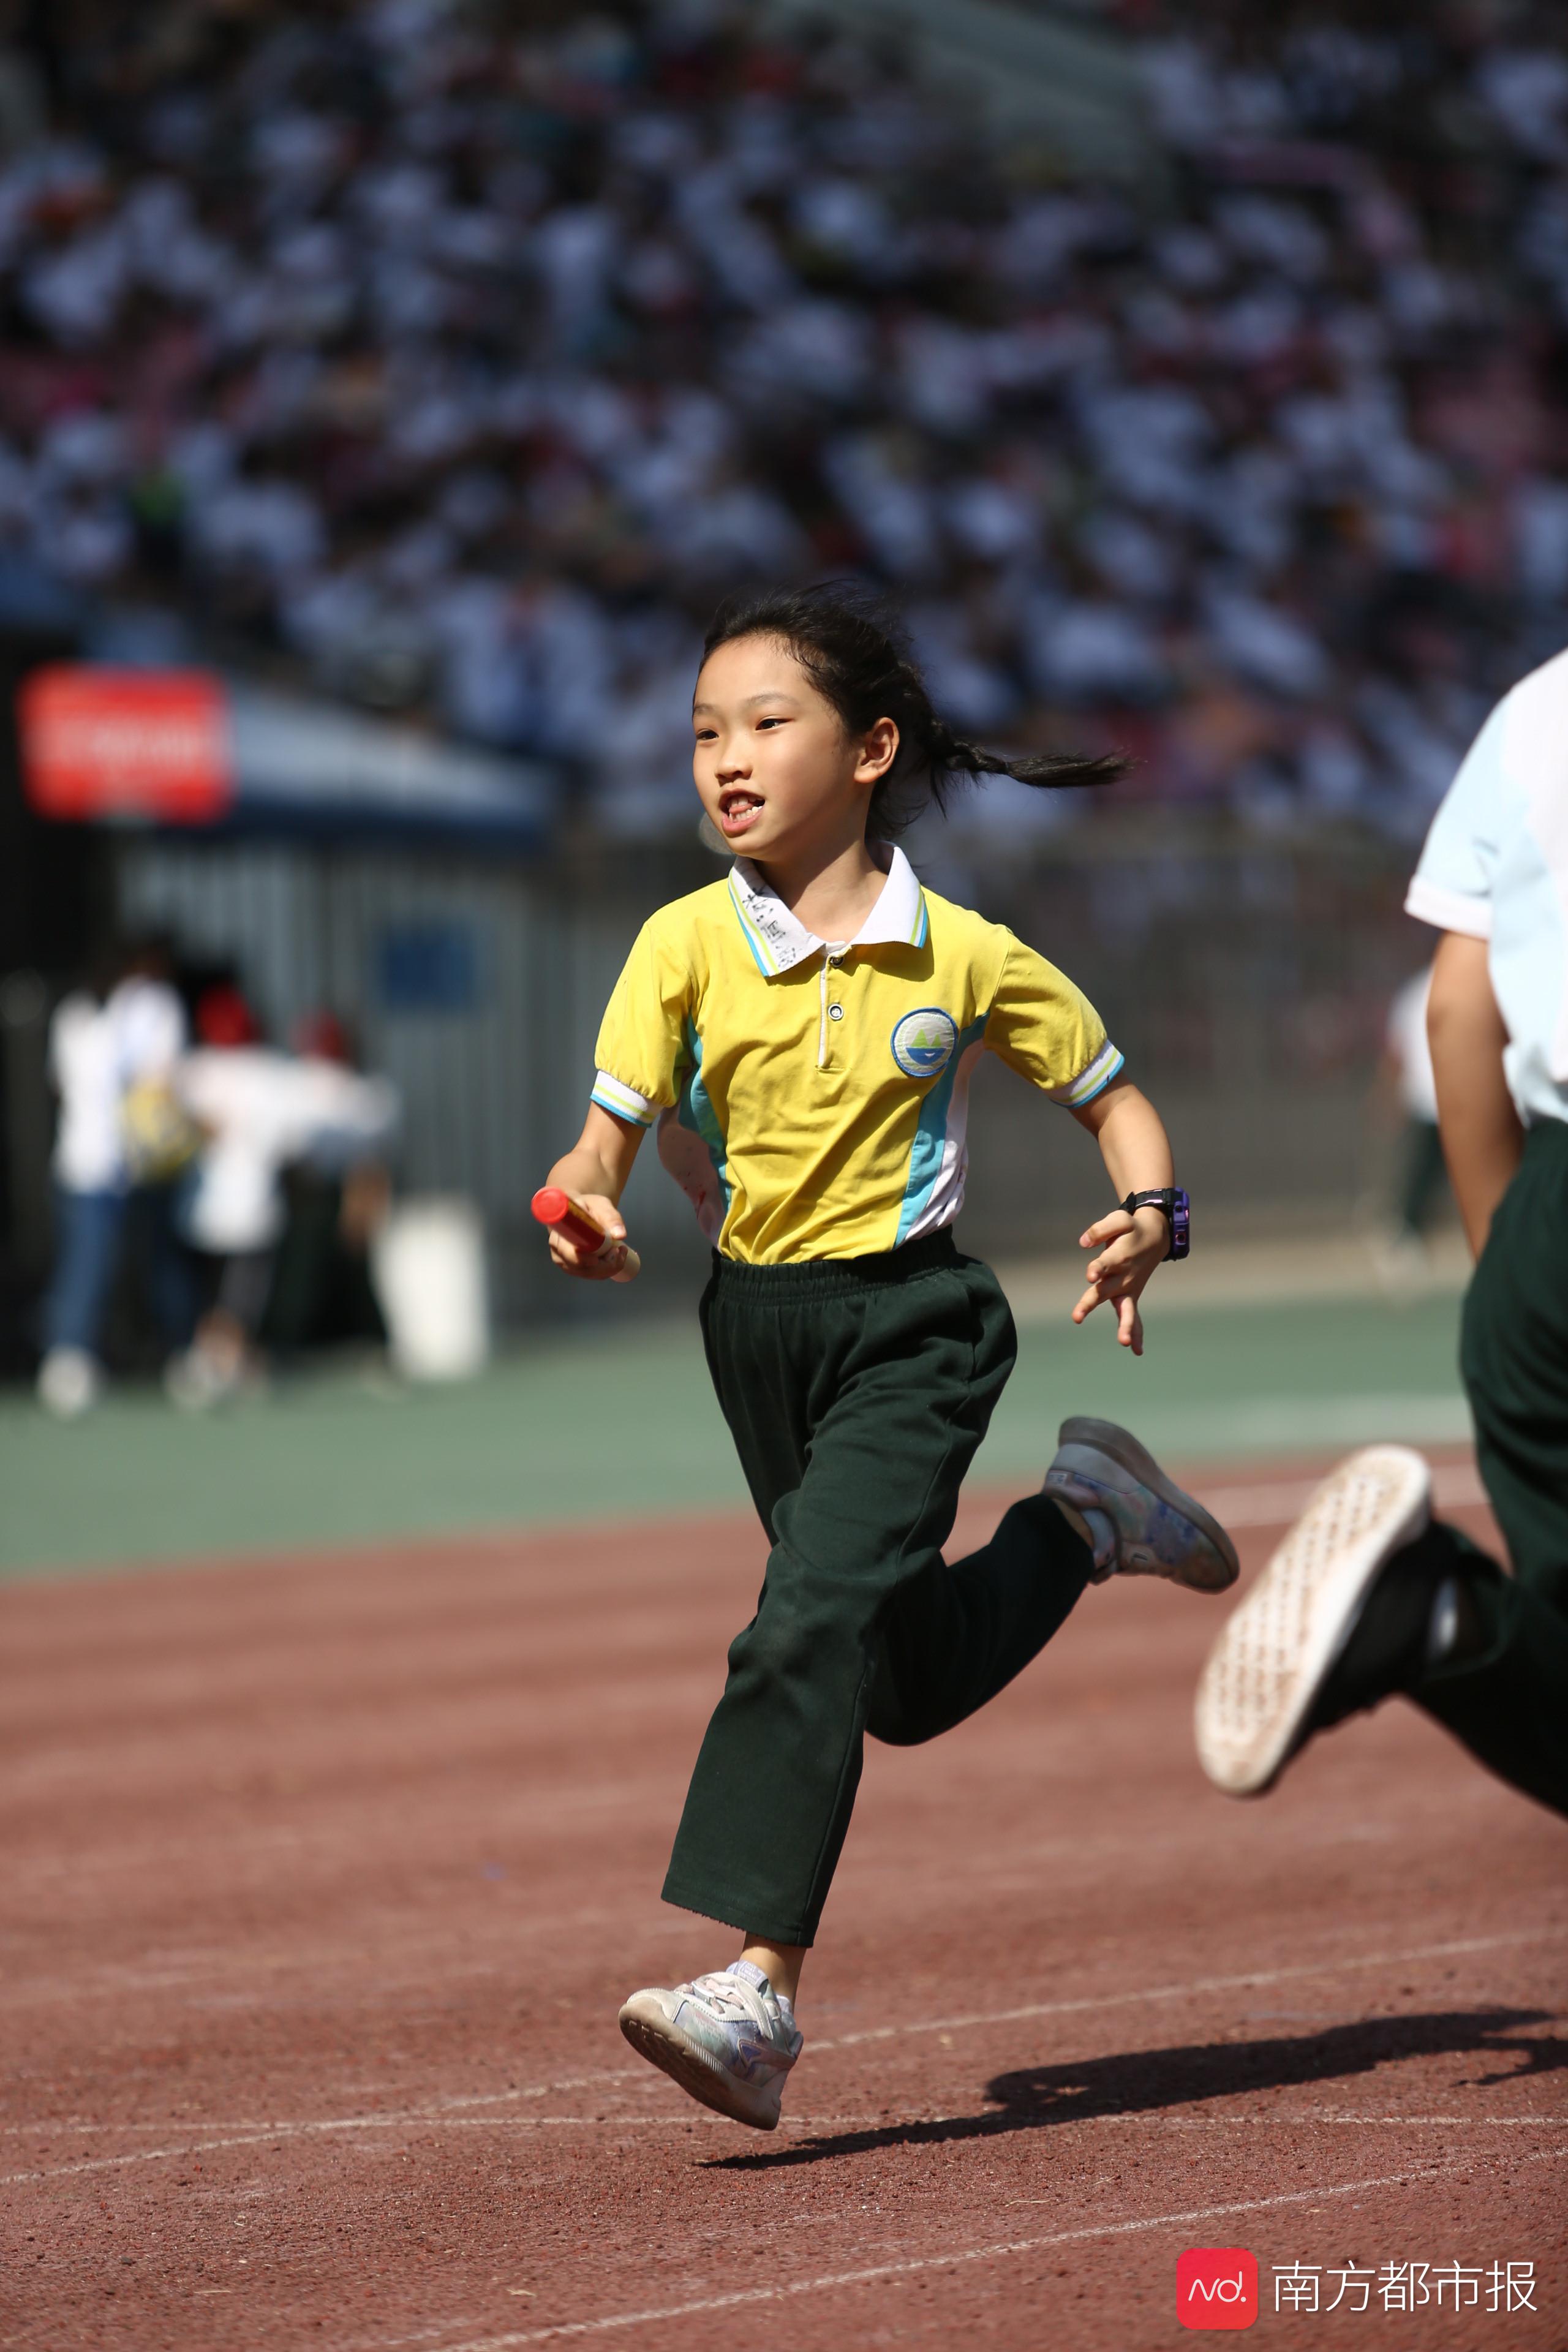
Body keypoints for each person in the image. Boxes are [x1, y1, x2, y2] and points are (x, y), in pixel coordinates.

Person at [540, 584, 1239, 2132]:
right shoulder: (676, 945)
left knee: (800, 1620)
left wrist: (1151, 1214)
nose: (724, 758)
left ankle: (756, 1989)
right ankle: (1081, 1520)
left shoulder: (970, 954)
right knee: (894, 1678)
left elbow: (1115, 1103)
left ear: (868, 748)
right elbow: (603, 1140)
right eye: (703, 733)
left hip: (914, 1325)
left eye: (762, 724)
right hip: (756, 1331)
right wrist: (586, 1199)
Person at [1195, 646, 1568, 1825]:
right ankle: (1437, 1617)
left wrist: (1510, 1266)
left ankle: (1443, 1617)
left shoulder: (1535, 709)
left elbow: (1460, 1010)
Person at [37, 935, 196, 1417]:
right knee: (90, 1259)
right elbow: (63, 1085)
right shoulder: (76, 1016)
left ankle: (183, 1353)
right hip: (87, 1163)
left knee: (161, 1259)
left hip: (145, 1162)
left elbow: (160, 1079)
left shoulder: (153, 1006)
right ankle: (70, 1357)